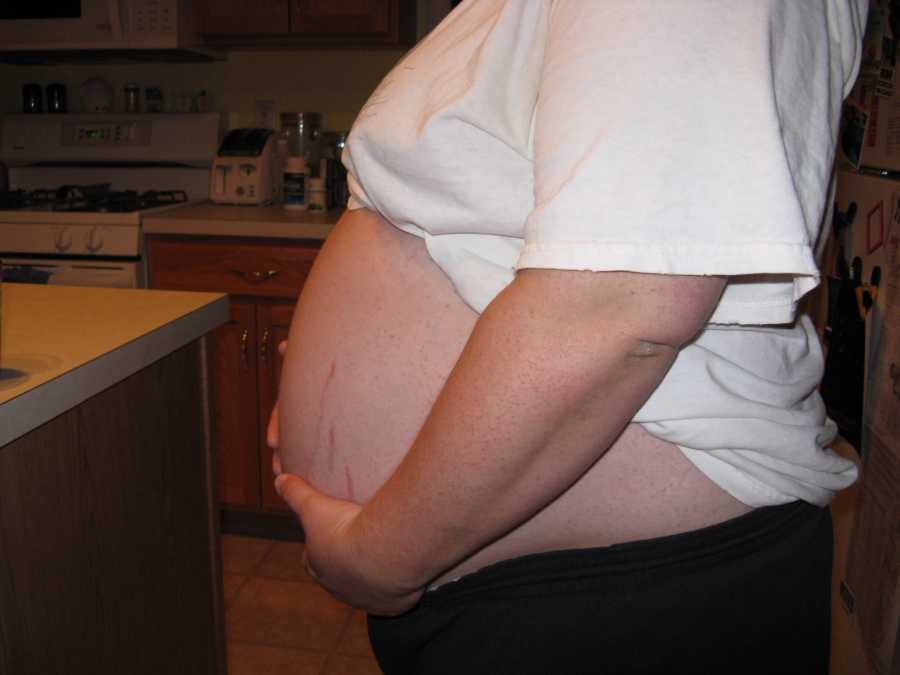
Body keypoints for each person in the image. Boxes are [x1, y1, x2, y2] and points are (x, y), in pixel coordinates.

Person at [268, 2, 869, 673]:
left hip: (623, 601)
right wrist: (351, 387)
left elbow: (621, 304)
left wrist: (377, 560)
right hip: (563, 587)